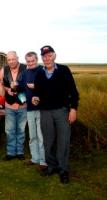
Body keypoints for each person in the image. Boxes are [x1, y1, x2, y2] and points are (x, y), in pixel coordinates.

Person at [32, 45, 79, 184]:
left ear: (54, 55)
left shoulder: (64, 70)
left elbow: (73, 92)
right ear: (42, 58)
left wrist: (73, 109)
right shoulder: (40, 73)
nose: (47, 58)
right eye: (44, 56)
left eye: (49, 55)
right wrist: (35, 97)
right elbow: (37, 92)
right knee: (48, 141)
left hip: (62, 111)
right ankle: (52, 166)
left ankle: (63, 170)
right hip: (45, 111)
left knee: (63, 141)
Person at [19, 52, 47, 170]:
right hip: (29, 109)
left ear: (37, 60)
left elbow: (49, 88)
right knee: (32, 135)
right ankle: (34, 158)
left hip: (42, 109)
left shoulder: (43, 71)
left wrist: (36, 87)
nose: (30, 63)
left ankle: (43, 161)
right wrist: (23, 100)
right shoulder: (24, 73)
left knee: (42, 136)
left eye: (32, 61)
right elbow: (19, 89)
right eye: (28, 61)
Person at [0, 51, 27, 160]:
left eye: (13, 59)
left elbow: (28, 87)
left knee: (21, 130)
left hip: (22, 105)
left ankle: (20, 152)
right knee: (10, 130)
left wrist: (19, 100)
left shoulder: (25, 68)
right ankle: (10, 152)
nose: (11, 62)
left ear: (17, 58)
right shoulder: (4, 70)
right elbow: (2, 85)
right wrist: (8, 89)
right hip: (9, 106)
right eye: (9, 60)